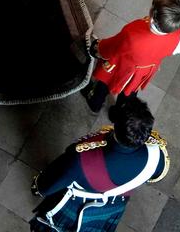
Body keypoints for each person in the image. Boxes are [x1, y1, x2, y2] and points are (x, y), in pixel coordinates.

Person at [29, 97, 169, 232]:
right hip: (114, 206)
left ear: (116, 125)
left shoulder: (82, 159)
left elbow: (45, 188)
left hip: (76, 205)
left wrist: (37, 187)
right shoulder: (157, 155)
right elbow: (156, 176)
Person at [81, 0, 180, 113]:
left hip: (121, 67)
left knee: (105, 82)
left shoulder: (133, 33)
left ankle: (95, 103)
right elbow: (172, 51)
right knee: (131, 90)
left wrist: (98, 48)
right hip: (144, 70)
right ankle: (119, 113)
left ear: (152, 15)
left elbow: (112, 47)